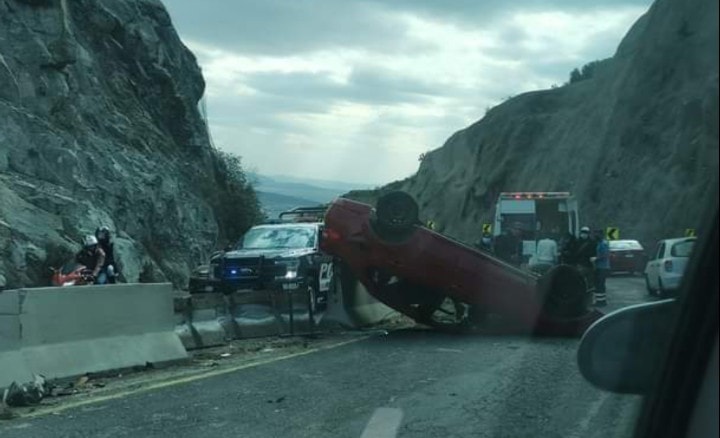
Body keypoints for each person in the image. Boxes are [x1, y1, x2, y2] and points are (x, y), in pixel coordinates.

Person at [592, 229, 610, 306]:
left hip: (603, 267)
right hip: (598, 267)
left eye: (597, 234)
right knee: (598, 285)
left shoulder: (603, 244)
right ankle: (599, 301)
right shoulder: (598, 243)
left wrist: (596, 258)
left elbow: (605, 255)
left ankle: (602, 302)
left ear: (601, 235)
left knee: (600, 284)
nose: (596, 236)